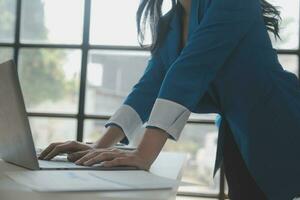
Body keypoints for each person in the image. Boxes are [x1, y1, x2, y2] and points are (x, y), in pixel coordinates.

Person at [39, 0, 300, 199]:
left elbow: (190, 69)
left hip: (278, 121)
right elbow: (149, 86)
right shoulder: (172, 22)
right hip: (237, 132)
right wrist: (99, 145)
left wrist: (144, 153)